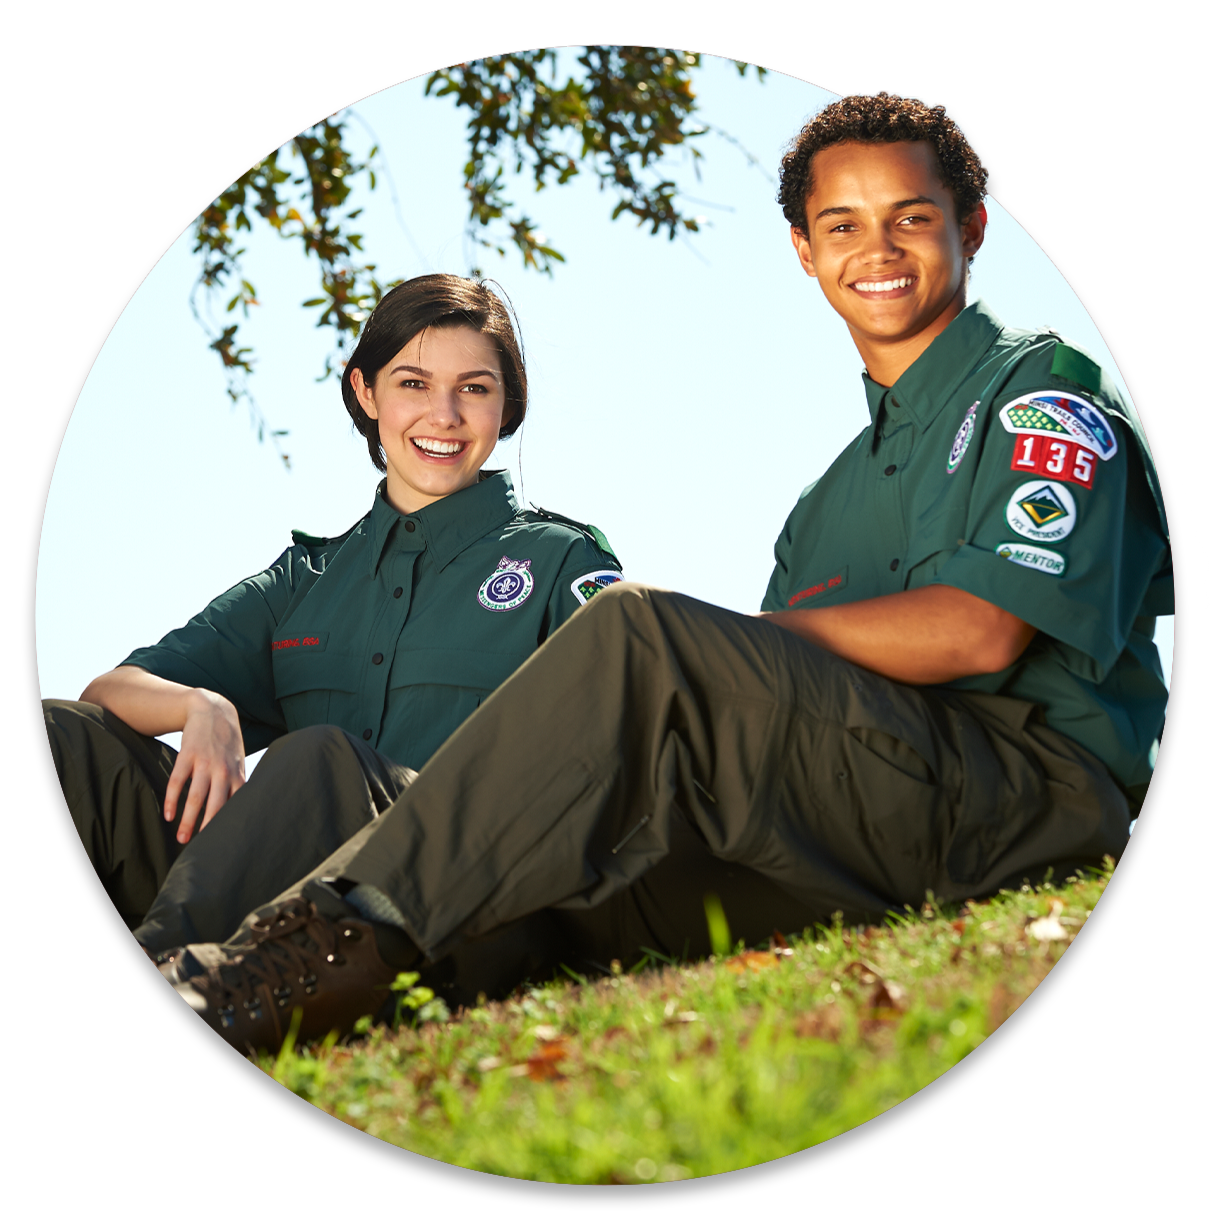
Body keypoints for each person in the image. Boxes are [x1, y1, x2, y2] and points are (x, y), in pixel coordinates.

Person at [162, 91, 1171, 1055]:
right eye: (843, 223)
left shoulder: (1038, 393)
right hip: (846, 827)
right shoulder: (818, 512)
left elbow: (978, 631)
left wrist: (709, 640)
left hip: (1017, 800)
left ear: (972, 228)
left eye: (909, 217)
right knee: (389, 790)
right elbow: (772, 733)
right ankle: (196, 971)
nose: (876, 250)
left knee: (633, 632)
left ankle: (312, 952)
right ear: (803, 249)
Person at [45, 273, 623, 958]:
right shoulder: (304, 581)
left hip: (439, 900)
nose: (443, 415)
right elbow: (110, 692)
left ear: (506, 405)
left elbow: (613, 757)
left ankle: (177, 971)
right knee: (68, 737)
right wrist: (202, 706)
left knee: (322, 758)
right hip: (266, 886)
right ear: (365, 393)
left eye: (474, 388)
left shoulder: (559, 559)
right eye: (412, 384)